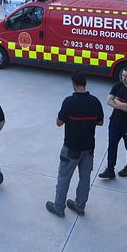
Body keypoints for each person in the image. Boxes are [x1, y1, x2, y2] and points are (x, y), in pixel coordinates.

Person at [46, 72, 104, 218]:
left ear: (73, 83)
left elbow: (59, 123)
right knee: (85, 178)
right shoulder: (95, 101)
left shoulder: (69, 102)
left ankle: (59, 207)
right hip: (89, 148)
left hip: (71, 148)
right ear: (85, 83)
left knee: (64, 177)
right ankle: (79, 206)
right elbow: (100, 122)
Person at [98, 67, 127, 179]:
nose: (124, 78)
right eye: (123, 75)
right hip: (114, 122)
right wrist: (122, 105)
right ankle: (110, 169)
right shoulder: (118, 86)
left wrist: (116, 100)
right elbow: (108, 100)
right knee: (112, 145)